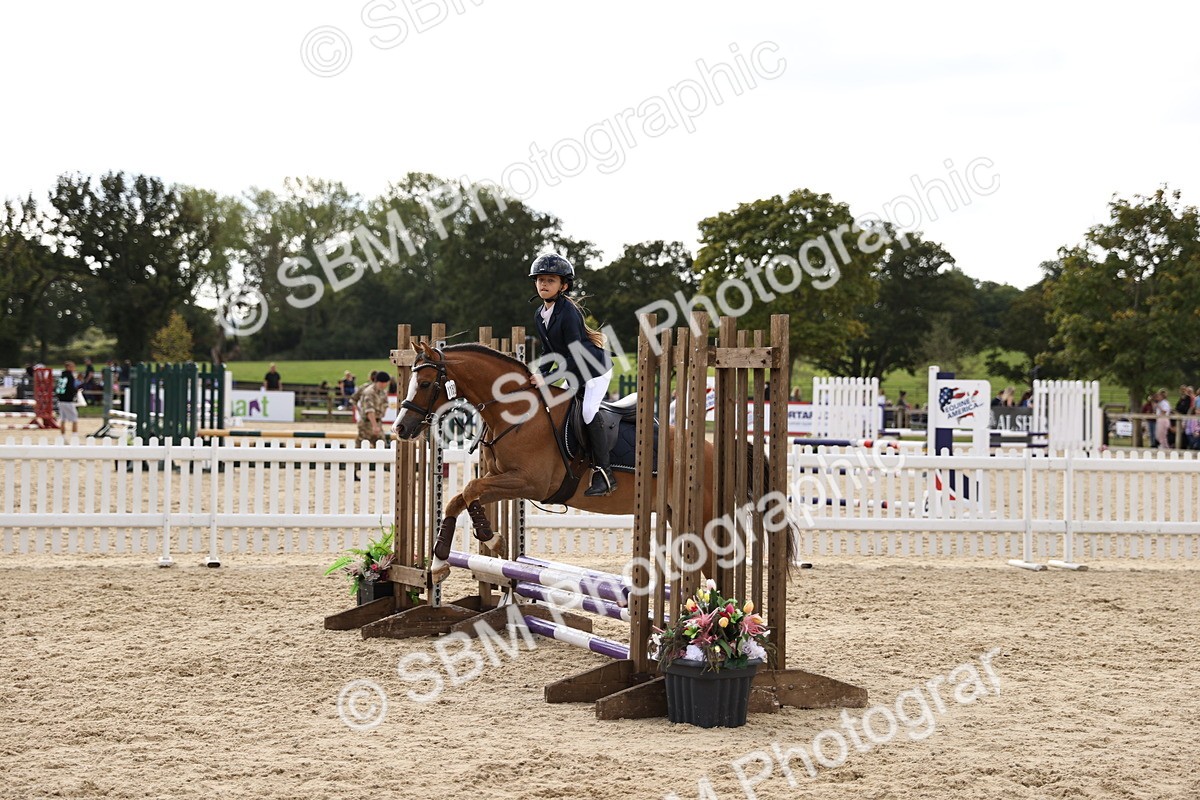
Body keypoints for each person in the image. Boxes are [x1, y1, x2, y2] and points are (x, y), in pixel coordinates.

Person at [528, 253, 616, 497]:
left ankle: (604, 473)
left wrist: (548, 378)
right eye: (540, 280)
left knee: (588, 411)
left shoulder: (568, 312)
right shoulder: (540, 314)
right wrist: (537, 374)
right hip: (574, 368)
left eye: (551, 280)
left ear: (563, 285)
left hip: (594, 369)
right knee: (565, 409)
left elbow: (577, 355)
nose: (544, 284)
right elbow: (549, 351)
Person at [355, 372, 392, 477]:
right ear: (380, 382)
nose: (386, 385)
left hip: (377, 421)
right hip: (367, 423)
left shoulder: (382, 392)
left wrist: (382, 414)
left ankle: (388, 468)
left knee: (382, 445)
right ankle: (354, 470)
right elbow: (369, 411)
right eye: (385, 383)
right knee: (361, 447)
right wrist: (375, 425)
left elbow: (385, 404)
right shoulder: (369, 392)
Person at [56, 360, 79, 434]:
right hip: (68, 400)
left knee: (63, 419)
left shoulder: (62, 376)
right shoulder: (70, 376)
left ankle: (62, 436)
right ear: (69, 367)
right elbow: (71, 388)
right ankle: (74, 436)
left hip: (60, 400)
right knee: (75, 419)